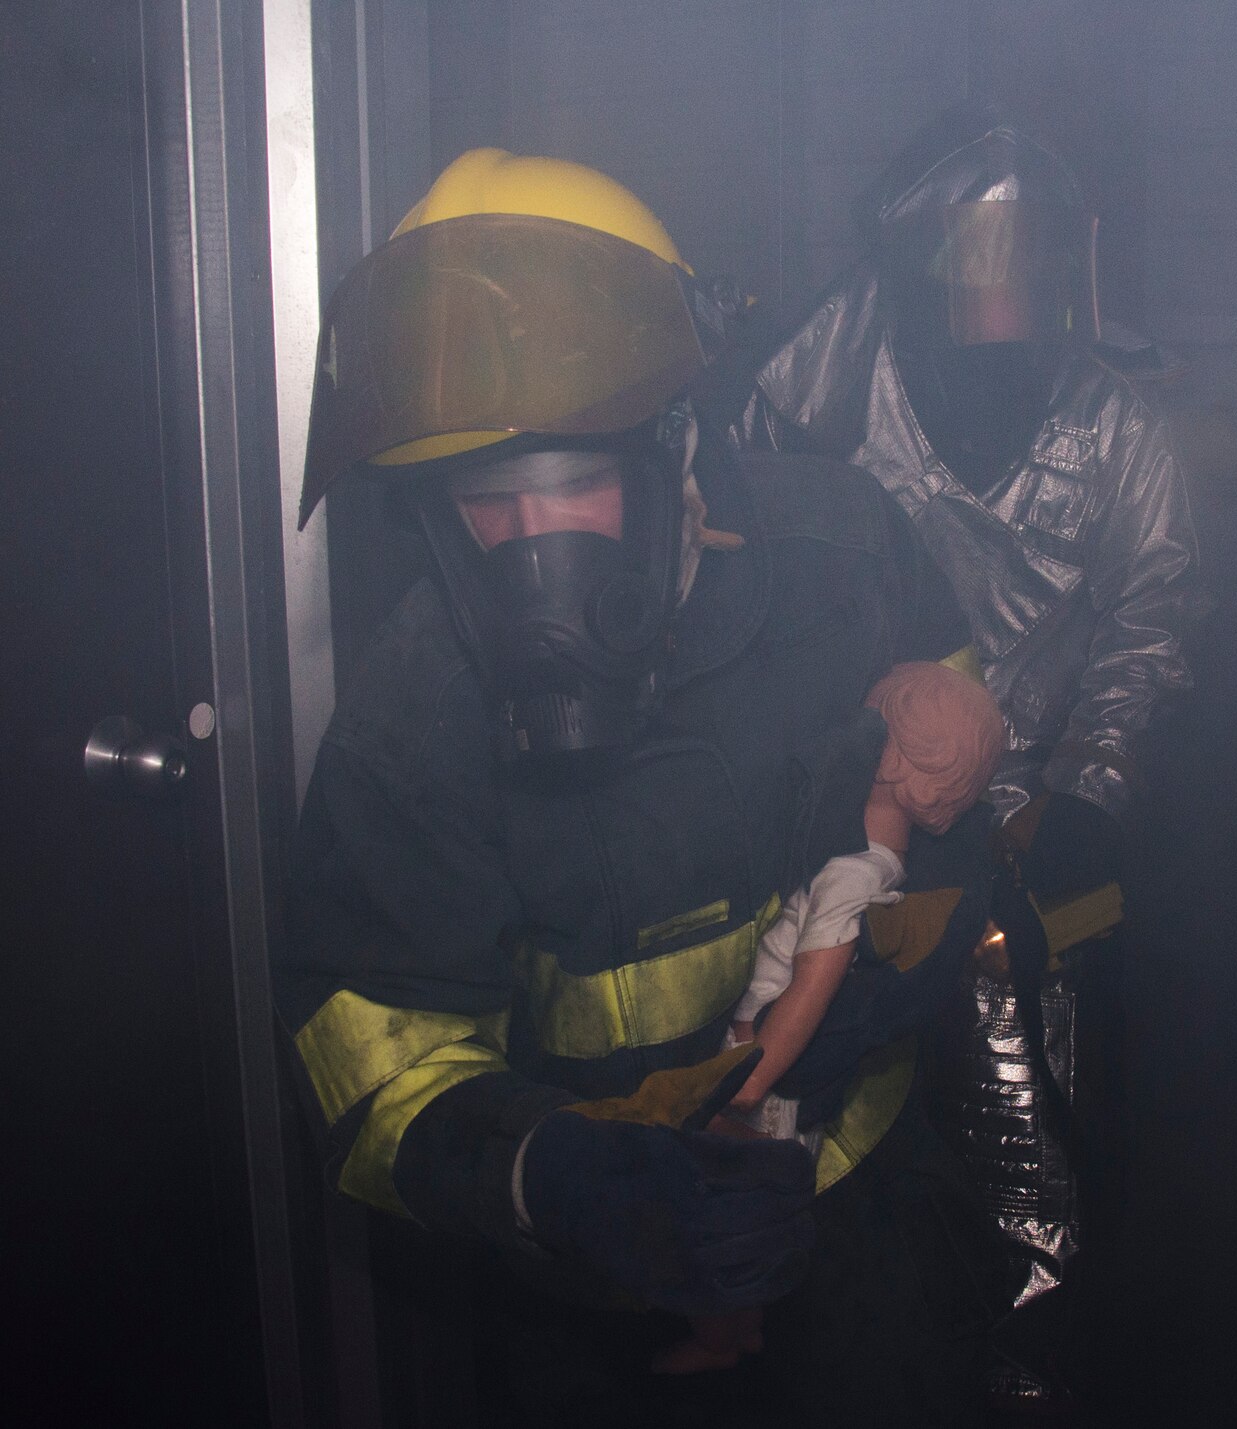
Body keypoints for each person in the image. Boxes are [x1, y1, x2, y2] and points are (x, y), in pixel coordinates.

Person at [278, 147, 997, 1424]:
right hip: (587, 1291)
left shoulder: (844, 554)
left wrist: (880, 977)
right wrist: (553, 1178)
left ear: (678, 448)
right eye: (481, 503)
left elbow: (958, 796)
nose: (529, 554)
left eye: (571, 487)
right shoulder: (412, 717)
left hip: (857, 1218)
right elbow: (375, 1072)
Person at [728, 102, 1207, 1407]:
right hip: (856, 813)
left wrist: (1091, 795)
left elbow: (1154, 622)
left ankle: (1033, 1348)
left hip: (1044, 828)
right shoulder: (817, 386)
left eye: (1033, 265)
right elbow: (753, 583)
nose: (1007, 301)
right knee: (826, 1072)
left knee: (1038, 1079)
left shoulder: (1121, 431)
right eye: (977, 267)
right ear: (915, 266)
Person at [662, 661, 1007, 1375]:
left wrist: (754, 1072)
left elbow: (816, 980)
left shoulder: (855, 871)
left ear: (900, 756)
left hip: (764, 1063)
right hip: (768, 1058)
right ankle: (744, 1328)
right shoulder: (871, 858)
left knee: (728, 1210)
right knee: (748, 1207)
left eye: (873, 726)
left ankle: (721, 1339)